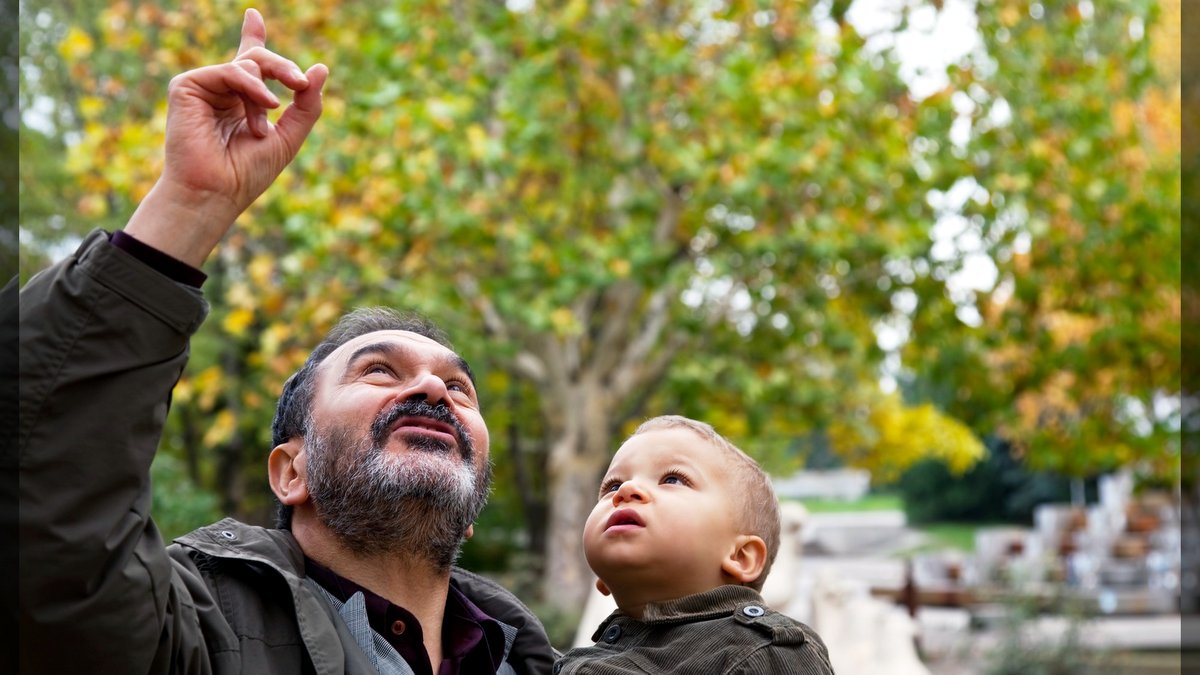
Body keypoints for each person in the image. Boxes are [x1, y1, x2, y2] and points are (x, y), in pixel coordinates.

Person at [16, 8, 556, 675]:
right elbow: (48, 503)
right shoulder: (185, 633)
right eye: (380, 371)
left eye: (458, 387)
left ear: (472, 508)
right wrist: (188, 206)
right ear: (289, 471)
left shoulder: (550, 665)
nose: (430, 387)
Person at [555, 415, 835, 674]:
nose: (627, 491)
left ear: (740, 556)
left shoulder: (765, 652)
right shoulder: (574, 661)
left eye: (672, 479)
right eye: (613, 486)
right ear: (603, 581)